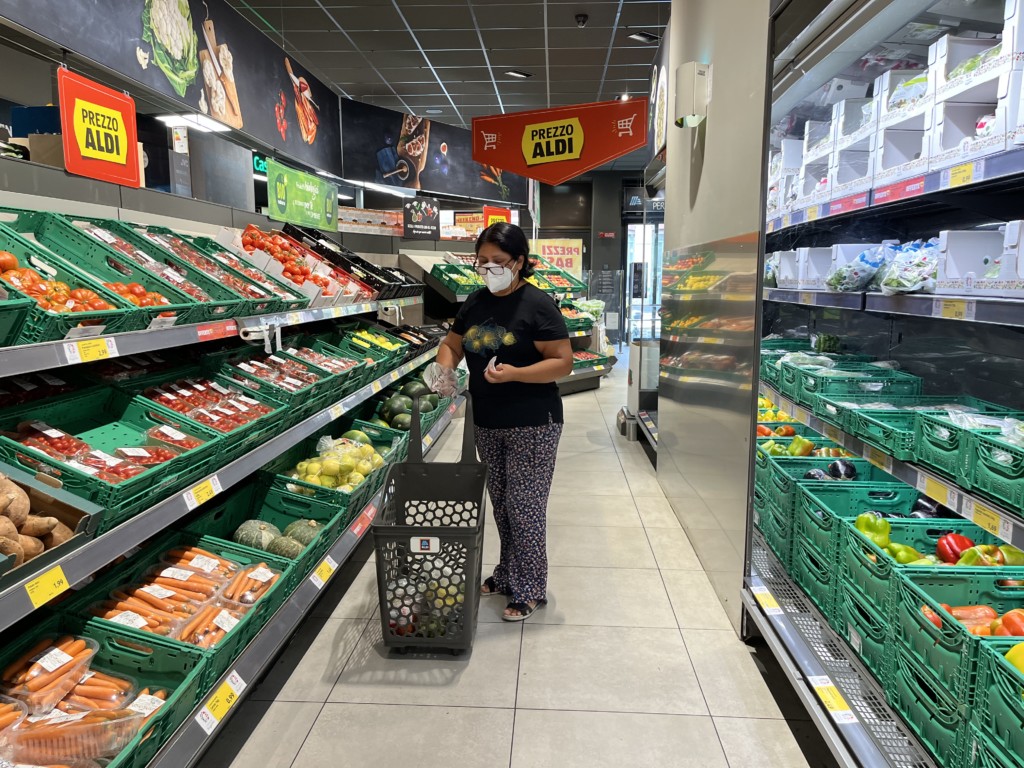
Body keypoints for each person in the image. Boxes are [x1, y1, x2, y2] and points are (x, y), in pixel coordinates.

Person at [426, 222, 573, 621]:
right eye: (482, 262)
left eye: (498, 262)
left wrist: (516, 374)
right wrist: (444, 371)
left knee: (525, 508)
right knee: (502, 505)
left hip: (533, 422)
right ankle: (508, 573)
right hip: (488, 420)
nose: (489, 269)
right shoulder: (475, 302)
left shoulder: (538, 304)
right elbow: (452, 344)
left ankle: (531, 588)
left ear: (519, 262)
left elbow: (562, 362)